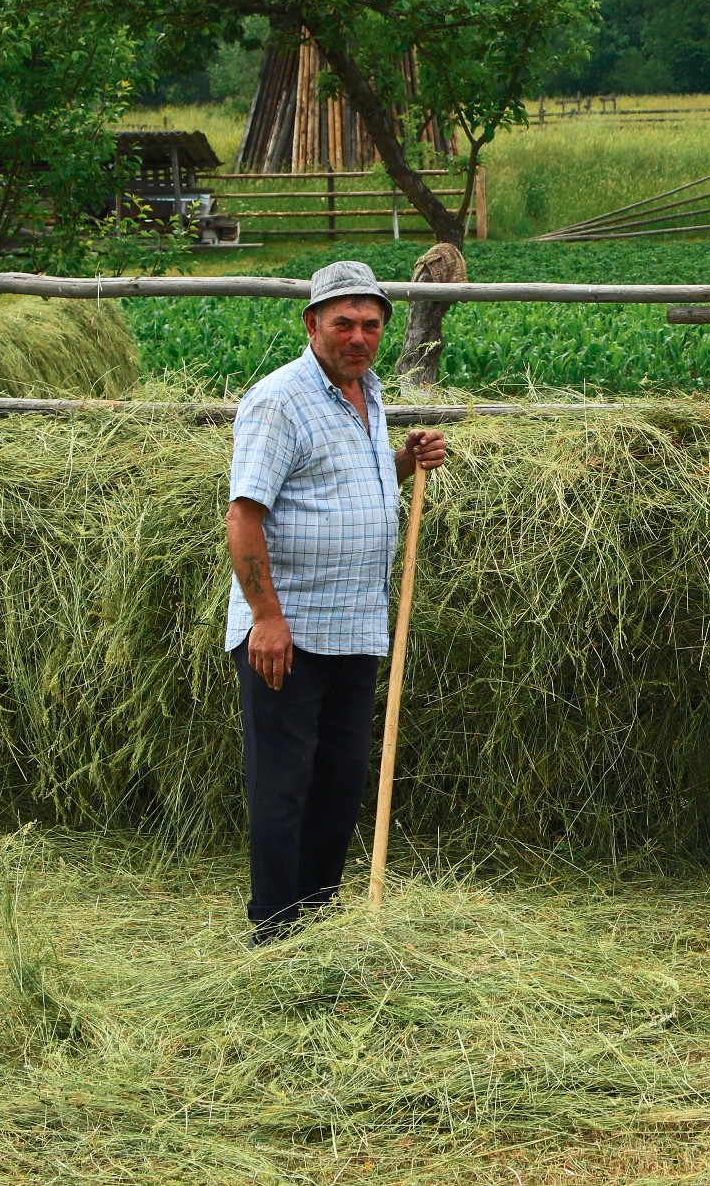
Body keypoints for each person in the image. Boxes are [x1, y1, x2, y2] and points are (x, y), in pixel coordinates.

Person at [224, 259, 448, 945]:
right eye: (344, 322)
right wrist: (266, 616)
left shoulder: (366, 392)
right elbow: (243, 514)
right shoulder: (281, 399)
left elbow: (349, 482)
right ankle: (275, 928)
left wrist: (405, 461)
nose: (358, 336)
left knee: (338, 783)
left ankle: (317, 919)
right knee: (284, 786)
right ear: (312, 323)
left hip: (356, 628)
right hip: (289, 633)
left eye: (371, 324)